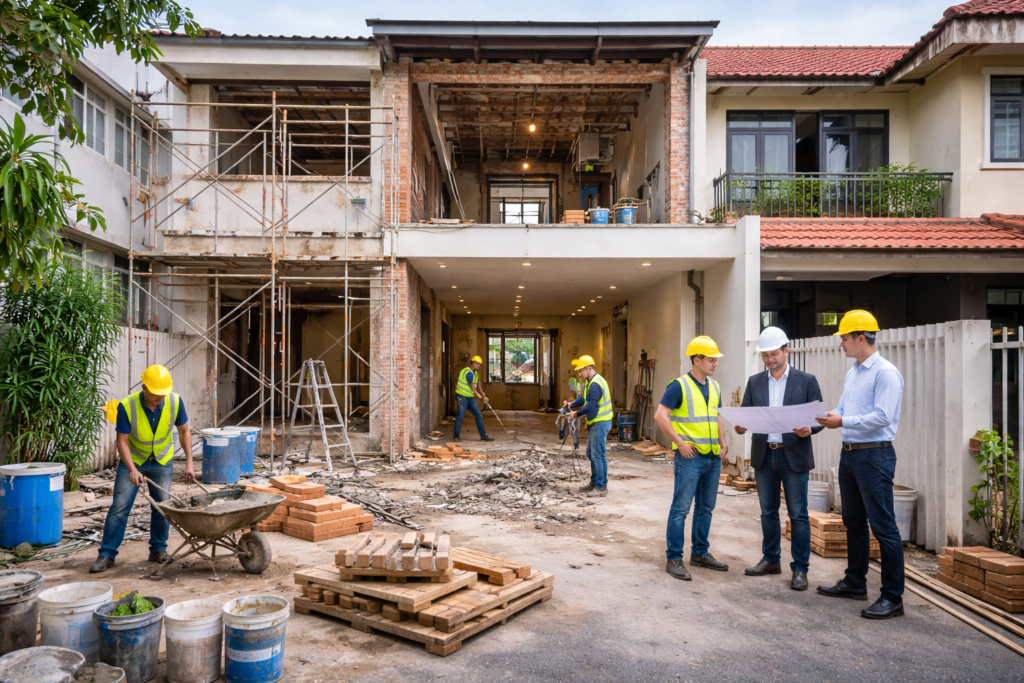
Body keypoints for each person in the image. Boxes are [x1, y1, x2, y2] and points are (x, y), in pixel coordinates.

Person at [814, 310, 906, 620]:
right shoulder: (853, 372)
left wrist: (843, 420)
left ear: (860, 338)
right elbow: (843, 408)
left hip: (874, 455)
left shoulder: (886, 373)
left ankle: (893, 597)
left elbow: (883, 416)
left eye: (844, 338)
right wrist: (825, 418)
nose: (841, 343)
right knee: (853, 521)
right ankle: (855, 581)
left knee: (884, 527)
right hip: (850, 454)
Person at [733, 326, 823, 591]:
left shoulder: (806, 381)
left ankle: (800, 569)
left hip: (793, 455)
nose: (770, 359)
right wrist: (741, 425)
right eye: (765, 355)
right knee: (767, 512)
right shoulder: (755, 382)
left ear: (787, 350)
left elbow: (818, 418)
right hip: (764, 455)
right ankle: (771, 559)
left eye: (774, 353)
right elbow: (746, 413)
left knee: (798, 514)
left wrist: (810, 429)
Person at [90, 365, 194, 573]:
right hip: (134, 460)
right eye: (156, 394)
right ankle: (107, 554)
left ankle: (158, 549)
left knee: (162, 507)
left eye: (163, 393)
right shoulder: (127, 406)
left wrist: (189, 461)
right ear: (144, 387)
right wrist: (131, 469)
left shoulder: (174, 401)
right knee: (119, 507)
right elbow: (122, 442)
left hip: (162, 460)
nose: (160, 398)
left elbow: (184, 431)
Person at [656, 336, 730, 581]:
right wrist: (679, 443)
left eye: (715, 360)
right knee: (681, 509)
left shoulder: (715, 386)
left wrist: (723, 444)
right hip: (690, 457)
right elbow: (660, 416)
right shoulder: (679, 386)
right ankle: (674, 558)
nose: (715, 364)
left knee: (706, 508)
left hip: (712, 457)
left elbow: (717, 417)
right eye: (711, 360)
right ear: (696, 360)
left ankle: (700, 553)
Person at [564, 355, 612, 497]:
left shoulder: (596, 383)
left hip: (600, 422)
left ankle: (601, 487)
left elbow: (591, 405)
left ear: (589, 368)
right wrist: (571, 403)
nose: (579, 373)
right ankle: (595, 482)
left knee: (598, 455)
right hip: (595, 422)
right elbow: (584, 398)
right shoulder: (590, 382)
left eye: (581, 370)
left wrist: (575, 414)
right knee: (591, 453)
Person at [453, 356, 496, 443]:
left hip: (469, 397)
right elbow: (471, 386)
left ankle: (483, 435)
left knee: (478, 415)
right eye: (477, 364)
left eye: (479, 364)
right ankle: (456, 436)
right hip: (462, 397)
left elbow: (478, 383)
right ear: (472, 363)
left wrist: (483, 394)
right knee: (460, 416)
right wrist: (478, 395)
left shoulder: (474, 373)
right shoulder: (468, 372)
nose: (478, 366)